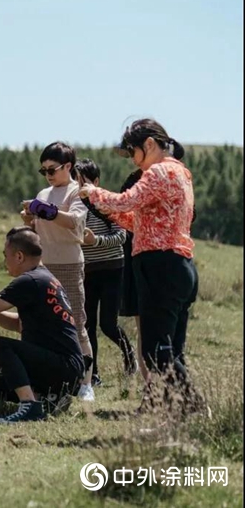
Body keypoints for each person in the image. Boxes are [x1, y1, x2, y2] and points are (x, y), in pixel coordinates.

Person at [79, 118, 203, 414]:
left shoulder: (159, 171)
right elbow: (138, 219)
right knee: (172, 349)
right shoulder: (181, 173)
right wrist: (107, 209)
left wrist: (91, 193)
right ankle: (183, 412)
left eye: (133, 152)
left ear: (149, 145)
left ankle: (194, 405)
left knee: (154, 350)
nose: (133, 160)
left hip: (158, 265)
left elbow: (126, 201)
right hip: (180, 265)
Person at [0, 227, 85, 423]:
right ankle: (50, 397)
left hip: (62, 367)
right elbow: (20, 325)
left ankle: (30, 406)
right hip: (66, 368)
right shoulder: (44, 278)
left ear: (19, 256)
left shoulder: (29, 280)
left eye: (6, 256)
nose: (5, 261)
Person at [20, 142, 95, 401]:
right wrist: (30, 218)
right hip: (43, 265)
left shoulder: (78, 193)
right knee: (40, 324)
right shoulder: (43, 193)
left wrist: (42, 210)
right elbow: (39, 226)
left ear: (68, 167)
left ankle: (86, 383)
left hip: (69, 264)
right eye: (44, 171)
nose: (48, 175)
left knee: (76, 323)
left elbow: (73, 222)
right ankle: (45, 382)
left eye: (52, 169)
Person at [75, 159, 137, 386]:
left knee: (107, 325)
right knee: (88, 325)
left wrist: (96, 240)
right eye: (75, 180)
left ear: (96, 182)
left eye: (84, 180)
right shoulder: (72, 207)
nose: (79, 185)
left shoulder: (105, 202)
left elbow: (122, 237)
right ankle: (94, 374)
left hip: (113, 269)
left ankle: (130, 355)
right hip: (87, 272)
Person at [117, 169, 150, 382]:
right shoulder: (136, 179)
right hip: (138, 259)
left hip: (145, 260)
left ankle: (154, 387)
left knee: (147, 328)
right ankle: (150, 387)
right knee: (144, 327)